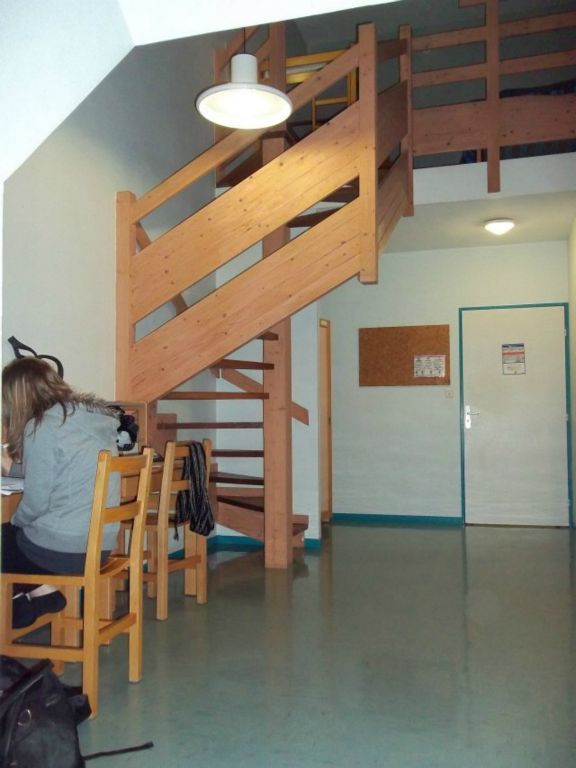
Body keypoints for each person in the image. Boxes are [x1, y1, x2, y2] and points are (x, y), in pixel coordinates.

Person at [1, 357, 121, 628]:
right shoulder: (87, 421)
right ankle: (36, 596)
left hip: (66, 549)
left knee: (8, 537)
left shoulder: (42, 425)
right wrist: (9, 465)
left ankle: (28, 601)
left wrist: (18, 523)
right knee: (11, 538)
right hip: (99, 546)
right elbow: (56, 474)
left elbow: (36, 502)